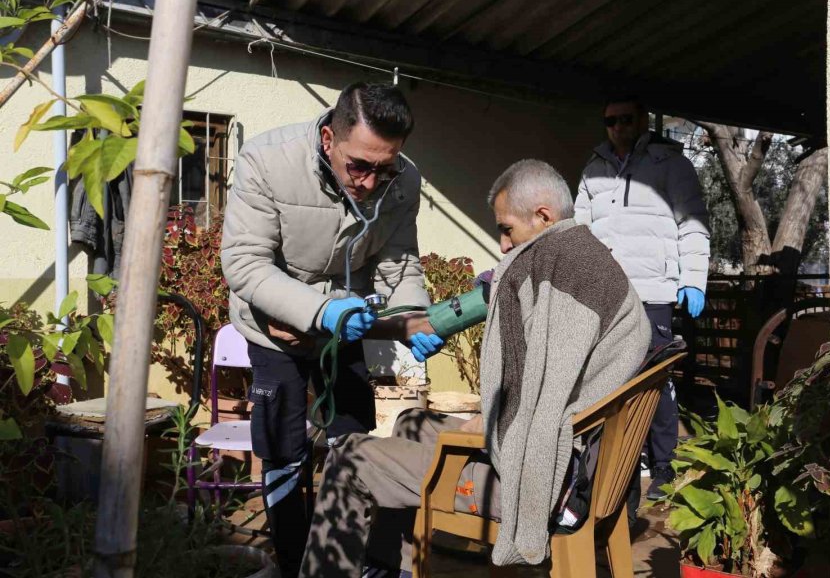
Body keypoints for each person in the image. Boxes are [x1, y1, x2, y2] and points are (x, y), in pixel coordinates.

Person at [299, 159, 651, 577]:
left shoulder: (564, 278)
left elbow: (541, 407)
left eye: (506, 229)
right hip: (578, 462)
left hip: (546, 485)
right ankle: (391, 567)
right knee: (411, 421)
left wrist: (484, 428)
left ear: (543, 216)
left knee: (349, 457)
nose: (503, 245)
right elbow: (546, 389)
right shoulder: (585, 259)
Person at [220, 82, 444, 578]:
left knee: (354, 440)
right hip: (275, 327)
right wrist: (320, 312)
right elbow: (245, 263)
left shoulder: (403, 181)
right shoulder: (267, 160)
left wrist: (412, 320)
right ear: (328, 139)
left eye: (383, 167)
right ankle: (295, 562)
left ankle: (353, 561)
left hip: (347, 327)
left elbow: (398, 264)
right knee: (284, 450)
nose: (369, 181)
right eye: (358, 166)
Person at [574, 94, 710, 502]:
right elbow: (579, 233)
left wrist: (695, 280)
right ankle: (619, 464)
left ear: (643, 120)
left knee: (656, 380)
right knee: (610, 380)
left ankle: (666, 466)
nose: (618, 127)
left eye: (626, 119)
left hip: (652, 292)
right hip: (607, 295)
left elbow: (693, 222)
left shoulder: (670, 164)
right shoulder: (593, 170)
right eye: (610, 120)